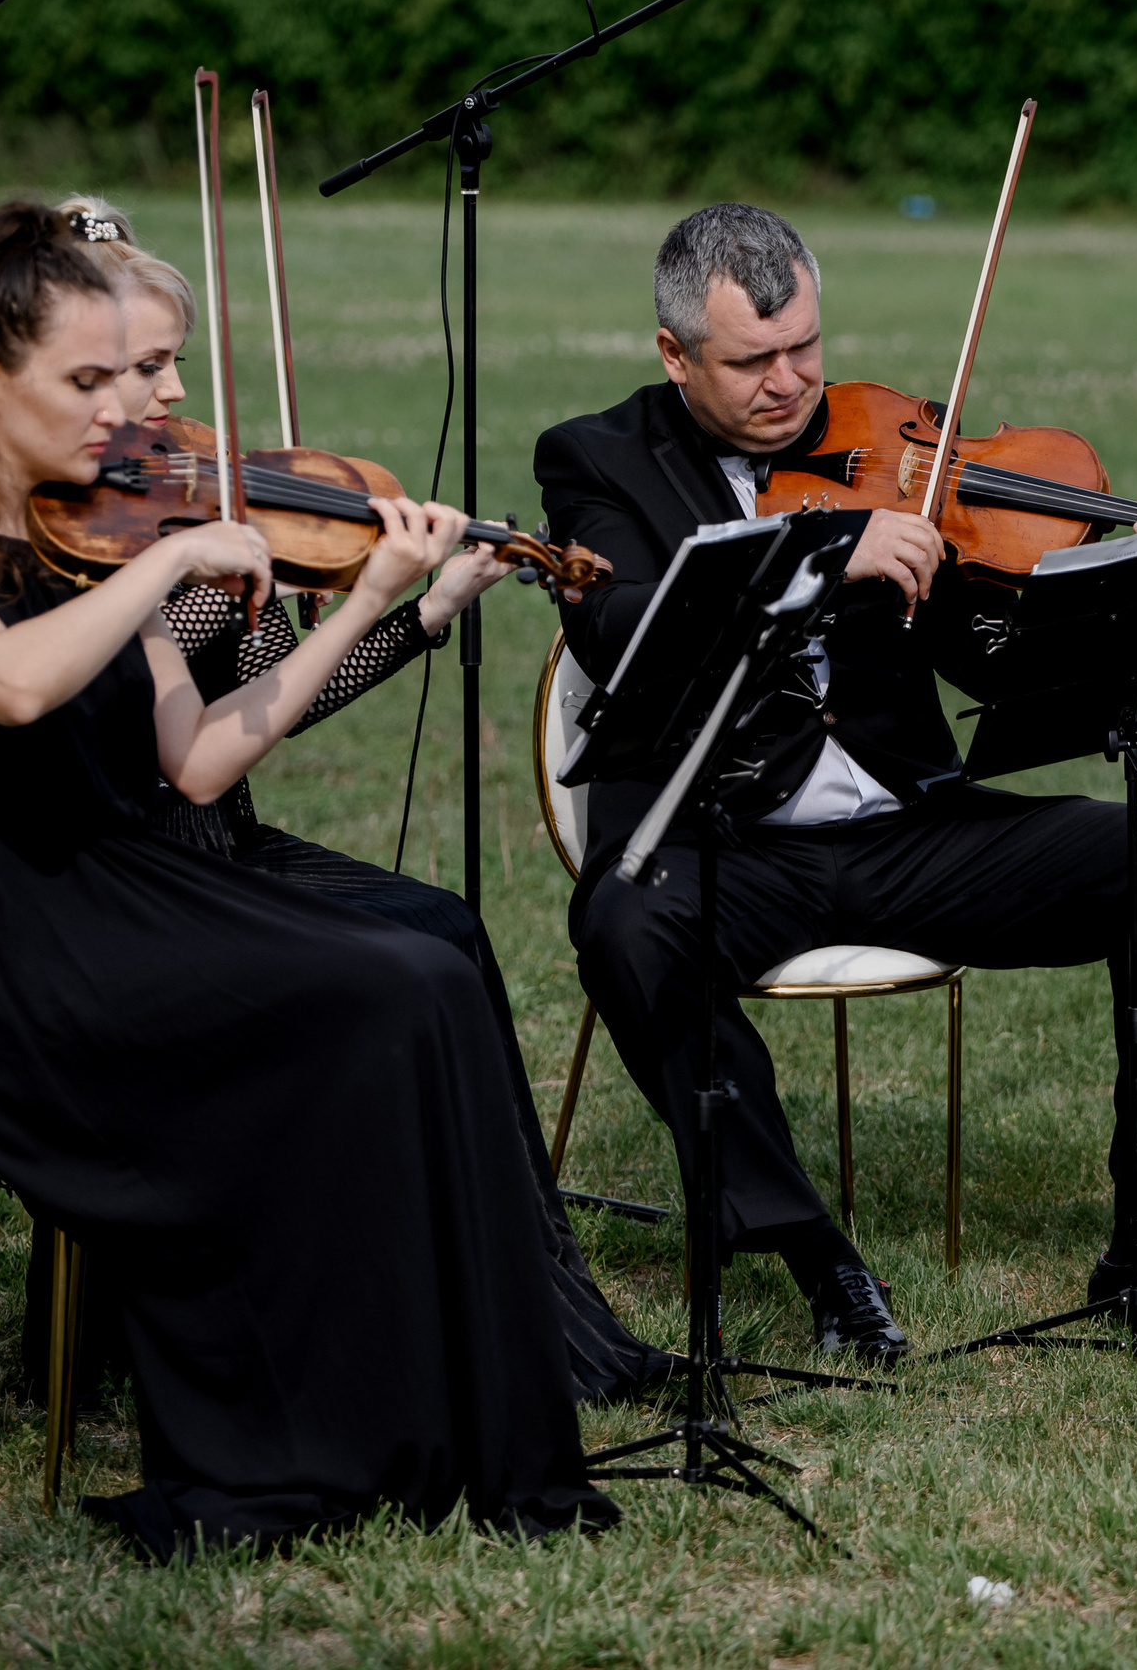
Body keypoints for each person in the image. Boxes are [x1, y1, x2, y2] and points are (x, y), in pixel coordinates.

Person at [0, 201, 616, 1559]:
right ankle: (305, 1422)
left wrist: (371, 603)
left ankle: (435, 1410)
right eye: (89, 379)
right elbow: (10, 687)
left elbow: (195, 759)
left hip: (123, 881)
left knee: (422, 972)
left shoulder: (91, 525)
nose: (125, 411)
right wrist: (177, 563)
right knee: (374, 992)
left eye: (127, 376)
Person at [536, 204, 1137, 1360]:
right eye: (750, 362)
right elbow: (618, 626)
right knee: (623, 925)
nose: (789, 383)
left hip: (908, 832)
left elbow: (997, 663)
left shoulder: (898, 451)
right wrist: (820, 554)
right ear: (674, 354)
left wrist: (1134, 573)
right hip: (720, 842)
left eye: (805, 347)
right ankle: (818, 1258)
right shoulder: (596, 458)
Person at [44, 197, 673, 1405]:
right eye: (147, 367)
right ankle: (440, 1322)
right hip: (137, 867)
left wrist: (421, 611)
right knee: (416, 956)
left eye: (174, 361)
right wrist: (343, 593)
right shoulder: (87, 541)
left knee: (448, 927)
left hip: (213, 842)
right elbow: (191, 757)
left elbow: (266, 706)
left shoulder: (177, 514)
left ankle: (538, 1318)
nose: (177, 395)